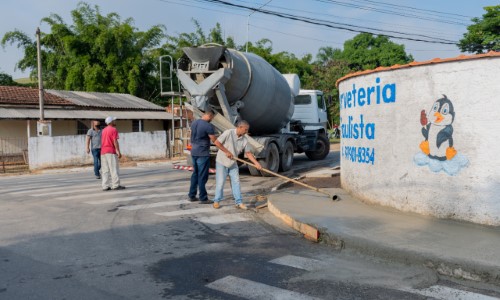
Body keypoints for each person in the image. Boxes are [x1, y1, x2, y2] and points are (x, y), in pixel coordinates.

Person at [212, 120, 262, 209]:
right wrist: (226, 151)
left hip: (233, 163)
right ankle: (216, 201)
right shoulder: (228, 133)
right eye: (245, 130)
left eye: (247, 130)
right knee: (220, 182)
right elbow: (217, 143)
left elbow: (248, 153)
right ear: (240, 127)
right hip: (222, 161)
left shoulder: (245, 139)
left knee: (236, 182)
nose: (246, 132)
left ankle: (239, 202)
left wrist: (256, 163)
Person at [188, 111, 216, 204]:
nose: (212, 120)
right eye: (212, 118)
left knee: (195, 174)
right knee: (202, 176)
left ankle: (192, 196)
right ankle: (203, 198)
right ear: (210, 116)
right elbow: (213, 139)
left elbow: (191, 135)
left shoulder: (194, 123)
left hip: (194, 152)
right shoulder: (208, 126)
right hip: (203, 153)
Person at [101, 116, 125, 191]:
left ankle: (105, 186)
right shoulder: (113, 130)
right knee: (113, 168)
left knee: (105, 170)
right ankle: (116, 185)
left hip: (103, 151)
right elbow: (115, 141)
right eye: (114, 121)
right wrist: (118, 151)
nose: (115, 122)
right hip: (110, 151)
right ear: (111, 122)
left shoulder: (103, 130)